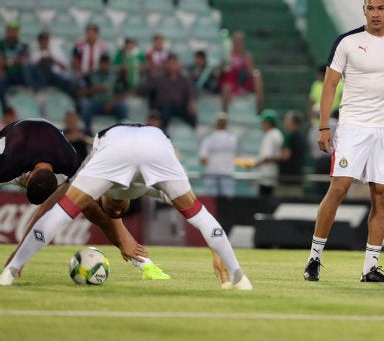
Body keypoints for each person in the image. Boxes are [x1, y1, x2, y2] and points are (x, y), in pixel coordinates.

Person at [0, 122, 253, 290]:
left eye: (116, 210)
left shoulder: (76, 165)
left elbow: (52, 213)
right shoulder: (155, 186)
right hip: (152, 141)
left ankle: (8, 274)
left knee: (74, 207)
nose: (117, 210)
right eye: (117, 210)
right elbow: (202, 217)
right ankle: (239, 277)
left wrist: (17, 258)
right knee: (79, 207)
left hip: (121, 142)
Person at [303, 0, 384, 283]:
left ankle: (370, 267)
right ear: (364, 9)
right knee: (338, 189)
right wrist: (325, 126)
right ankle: (314, 258)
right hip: (351, 126)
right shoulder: (347, 42)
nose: (376, 13)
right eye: (370, 8)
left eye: (381, 8)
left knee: (383, 195)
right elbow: (329, 85)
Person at [139, 53, 197, 131]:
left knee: (191, 114)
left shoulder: (185, 80)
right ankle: (164, 134)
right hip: (163, 106)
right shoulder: (159, 79)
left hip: (179, 106)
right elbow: (144, 88)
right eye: (171, 63)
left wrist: (191, 102)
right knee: (165, 111)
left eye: (175, 63)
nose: (173, 65)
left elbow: (191, 92)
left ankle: (193, 132)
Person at [78, 54, 129, 135]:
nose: (104, 66)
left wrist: (113, 102)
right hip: (96, 104)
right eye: (103, 64)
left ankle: (122, 132)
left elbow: (122, 93)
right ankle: (87, 131)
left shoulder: (116, 76)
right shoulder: (91, 75)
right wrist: (94, 89)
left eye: (106, 64)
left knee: (123, 106)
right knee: (85, 105)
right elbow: (80, 92)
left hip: (111, 105)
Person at [308, 64, 343, 177]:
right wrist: (311, 120)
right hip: (318, 124)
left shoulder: (340, 85)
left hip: (334, 122)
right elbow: (312, 103)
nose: (318, 77)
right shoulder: (316, 85)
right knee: (319, 155)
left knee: (333, 154)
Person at [220, 31, 264, 113]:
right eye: (236, 41)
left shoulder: (247, 56)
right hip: (230, 84)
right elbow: (222, 72)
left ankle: (259, 109)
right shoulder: (227, 55)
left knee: (257, 75)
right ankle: (224, 114)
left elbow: (250, 72)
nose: (237, 43)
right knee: (226, 87)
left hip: (242, 83)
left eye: (240, 41)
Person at [199, 112, 239, 197]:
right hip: (227, 173)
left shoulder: (208, 139)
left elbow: (203, 160)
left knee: (210, 201)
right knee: (228, 201)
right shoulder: (233, 139)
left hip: (212, 173)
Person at [29, 30, 75, 97]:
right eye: (43, 40)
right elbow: (32, 69)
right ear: (39, 42)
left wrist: (54, 60)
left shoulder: (56, 51)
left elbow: (64, 67)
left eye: (46, 40)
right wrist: (41, 61)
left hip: (54, 75)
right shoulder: (34, 53)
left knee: (70, 84)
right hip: (40, 77)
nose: (45, 42)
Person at [256, 109, 283, 196]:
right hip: (272, 175)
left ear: (268, 123)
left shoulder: (270, 135)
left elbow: (267, 157)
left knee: (264, 204)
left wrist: (254, 163)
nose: (261, 125)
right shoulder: (277, 133)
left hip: (267, 176)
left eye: (263, 122)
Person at [0, 21, 32, 90]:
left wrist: (8, 62)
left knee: (30, 82)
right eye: (11, 30)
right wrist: (15, 61)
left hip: (20, 73)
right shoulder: (1, 44)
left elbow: (24, 59)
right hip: (6, 74)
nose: (13, 33)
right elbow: (1, 61)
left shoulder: (24, 45)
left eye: (15, 31)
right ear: (7, 31)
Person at [280, 110, 305, 186]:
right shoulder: (301, 138)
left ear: (292, 122)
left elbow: (286, 156)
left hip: (288, 178)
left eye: (287, 120)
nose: (285, 122)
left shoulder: (289, 136)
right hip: (297, 177)